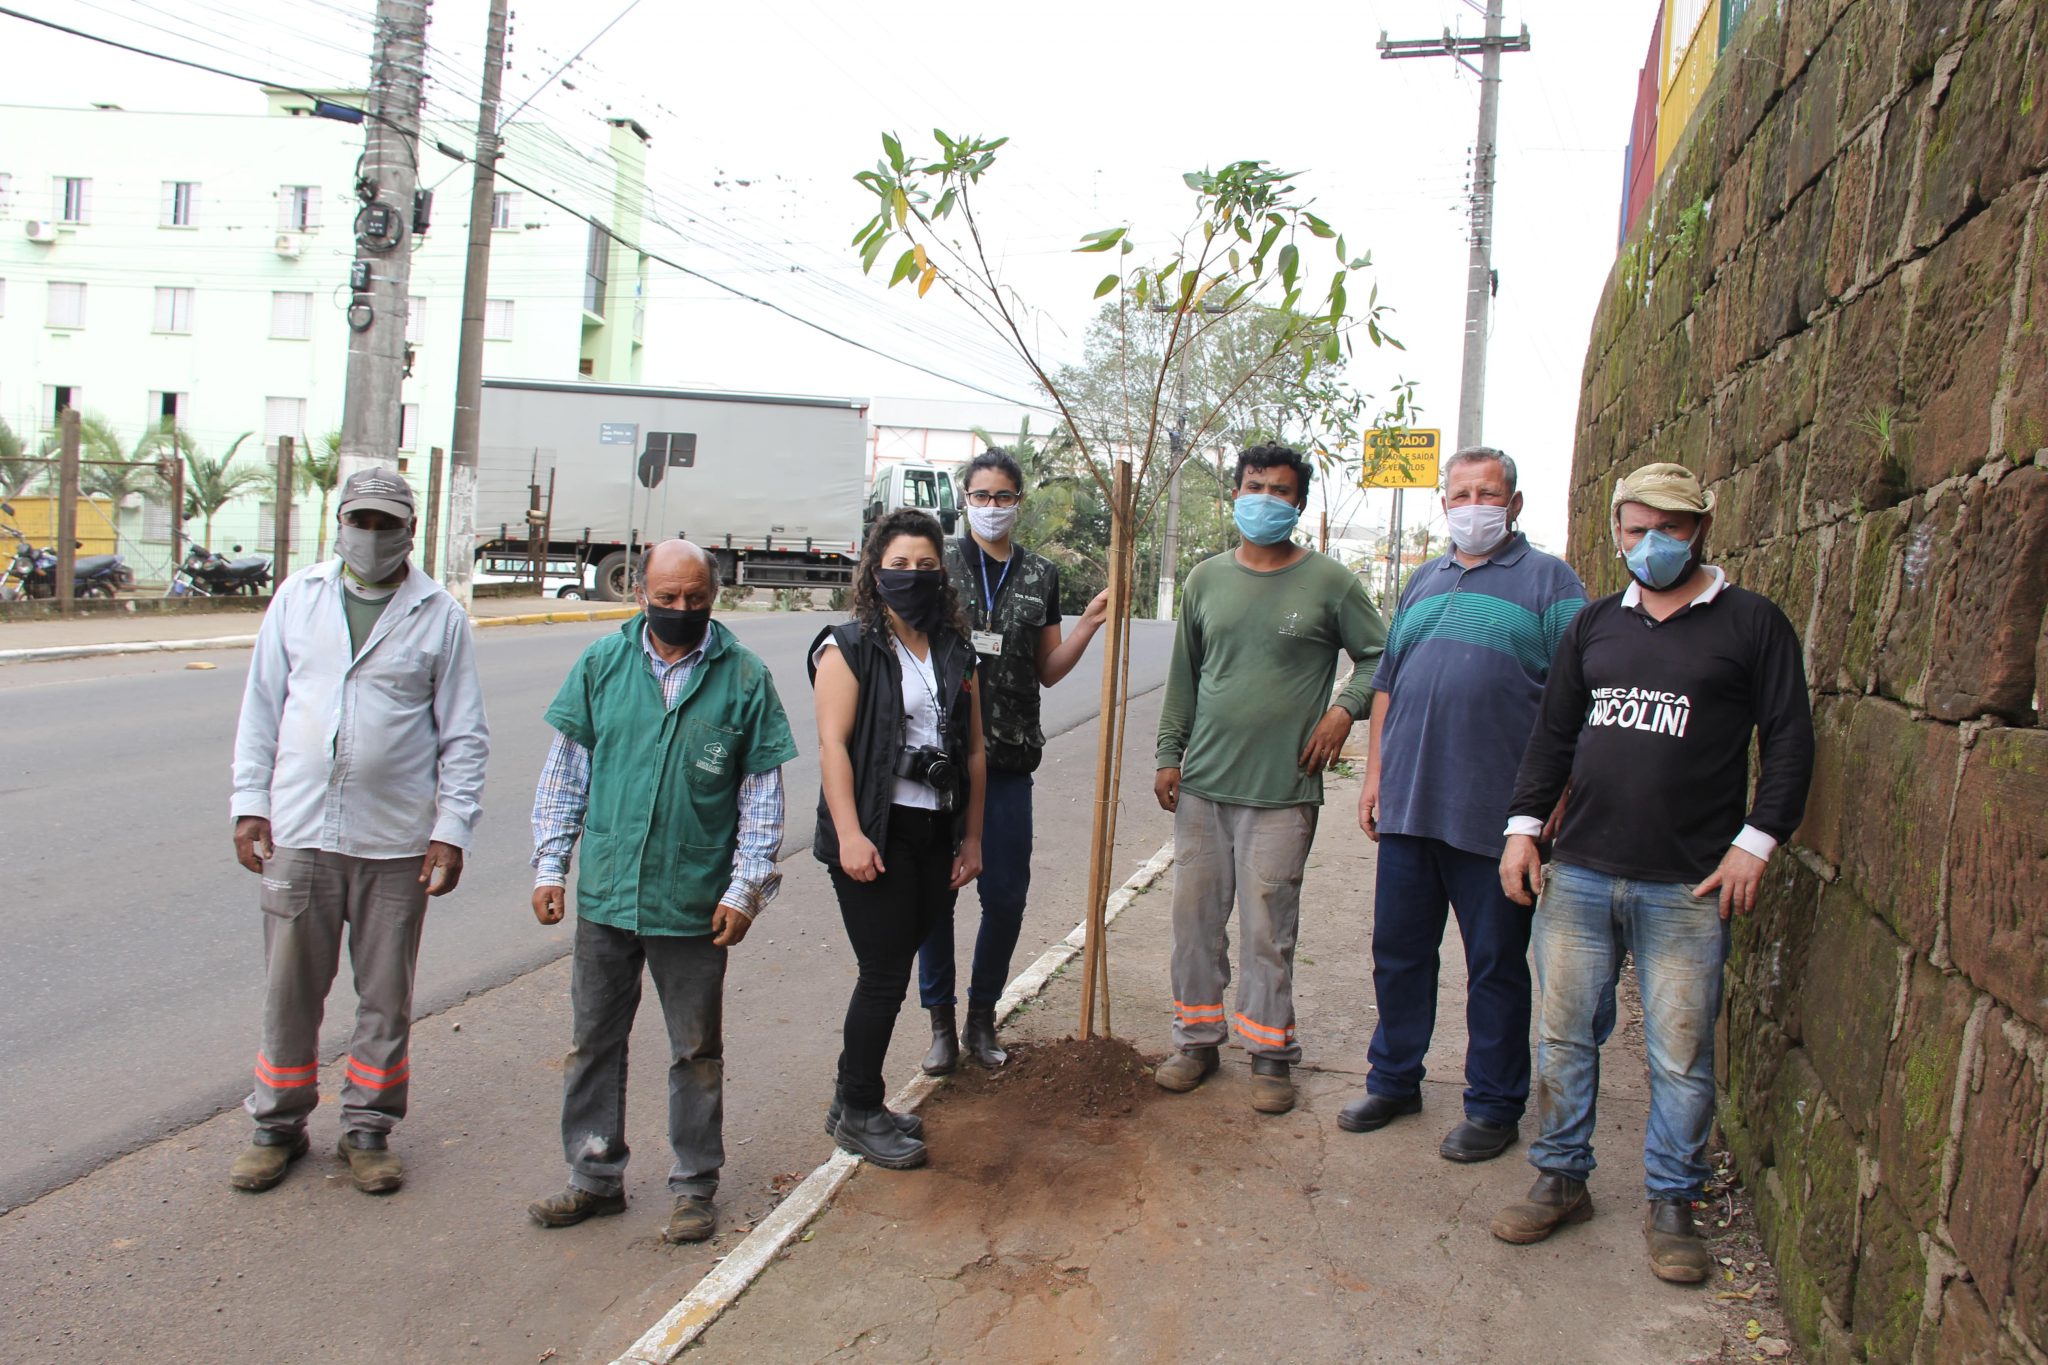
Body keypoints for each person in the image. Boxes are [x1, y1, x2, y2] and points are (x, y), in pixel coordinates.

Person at [1489, 462, 1814, 1285]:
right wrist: (1523, 830)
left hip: (1688, 884)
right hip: (1582, 872)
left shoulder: (1752, 624)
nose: (1652, 542)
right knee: (1563, 1035)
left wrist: (1756, 842)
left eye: (1670, 528)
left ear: (1701, 528)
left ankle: (1674, 1202)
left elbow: (1789, 739)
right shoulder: (1596, 625)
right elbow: (1553, 736)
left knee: (1680, 1054)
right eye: (1637, 529)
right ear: (1617, 531)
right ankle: (1561, 1177)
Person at [525, 540, 796, 1245]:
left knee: (695, 1049)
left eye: (694, 599)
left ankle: (694, 1184)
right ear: (640, 592)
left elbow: (761, 797)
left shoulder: (743, 678)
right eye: (667, 597)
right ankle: (593, 1176)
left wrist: (745, 890)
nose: (680, 609)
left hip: (693, 903)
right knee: (593, 1041)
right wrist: (551, 866)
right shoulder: (602, 664)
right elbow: (566, 773)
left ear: (714, 596)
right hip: (608, 895)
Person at [228, 467, 489, 1195]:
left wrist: (451, 829)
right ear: (340, 523)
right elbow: (262, 707)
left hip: (396, 841)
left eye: (386, 524)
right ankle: (276, 1126)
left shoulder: (438, 615)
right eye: (360, 521)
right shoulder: (298, 598)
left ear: (410, 530)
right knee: (290, 991)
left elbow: (464, 735)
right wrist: (250, 803)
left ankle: (367, 1128)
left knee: (385, 996)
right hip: (300, 829)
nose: (371, 536)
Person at [1340, 448, 1587, 1162]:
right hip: (1411, 806)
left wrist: (1555, 800)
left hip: (1499, 818)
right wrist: (1374, 777)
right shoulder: (1424, 579)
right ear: (1444, 503)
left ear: (1515, 504)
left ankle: (1494, 1104)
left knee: (1496, 965)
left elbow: (1579, 696)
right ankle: (1394, 1079)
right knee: (1399, 953)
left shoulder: (1551, 582)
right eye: (1461, 494)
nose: (1474, 505)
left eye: (1489, 493)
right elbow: (1388, 686)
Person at [1153, 444, 1388, 1115]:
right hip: (1204, 785)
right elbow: (1184, 677)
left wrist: (1343, 711)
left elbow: (1381, 656)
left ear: (1299, 504)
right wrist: (1169, 753)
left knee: (1268, 929)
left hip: (1284, 790)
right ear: (1235, 494)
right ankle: (1196, 1042)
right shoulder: (1205, 580)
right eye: (1254, 486)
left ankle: (1269, 1054)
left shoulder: (1330, 583)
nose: (1265, 499)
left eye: (1280, 490)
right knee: (1194, 924)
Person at [916, 446, 1109, 1074]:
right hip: (938, 762)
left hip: (1007, 760)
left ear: (1018, 502)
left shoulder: (1040, 575)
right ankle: (940, 1024)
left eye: (1003, 496)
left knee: (1004, 896)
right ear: (964, 499)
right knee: (934, 898)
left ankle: (981, 1017)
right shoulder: (937, 564)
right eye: (981, 495)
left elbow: (1048, 669)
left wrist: (1089, 625)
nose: (992, 506)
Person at [811, 508, 986, 1169]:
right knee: (883, 976)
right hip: (875, 831)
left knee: (895, 963)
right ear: (875, 571)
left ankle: (850, 1101)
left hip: (934, 830)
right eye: (899, 564)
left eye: (925, 565)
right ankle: (859, 1111)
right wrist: (850, 834)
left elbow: (974, 750)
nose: (912, 575)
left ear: (943, 573)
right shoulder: (848, 646)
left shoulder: (955, 649)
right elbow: (832, 746)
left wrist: (972, 838)